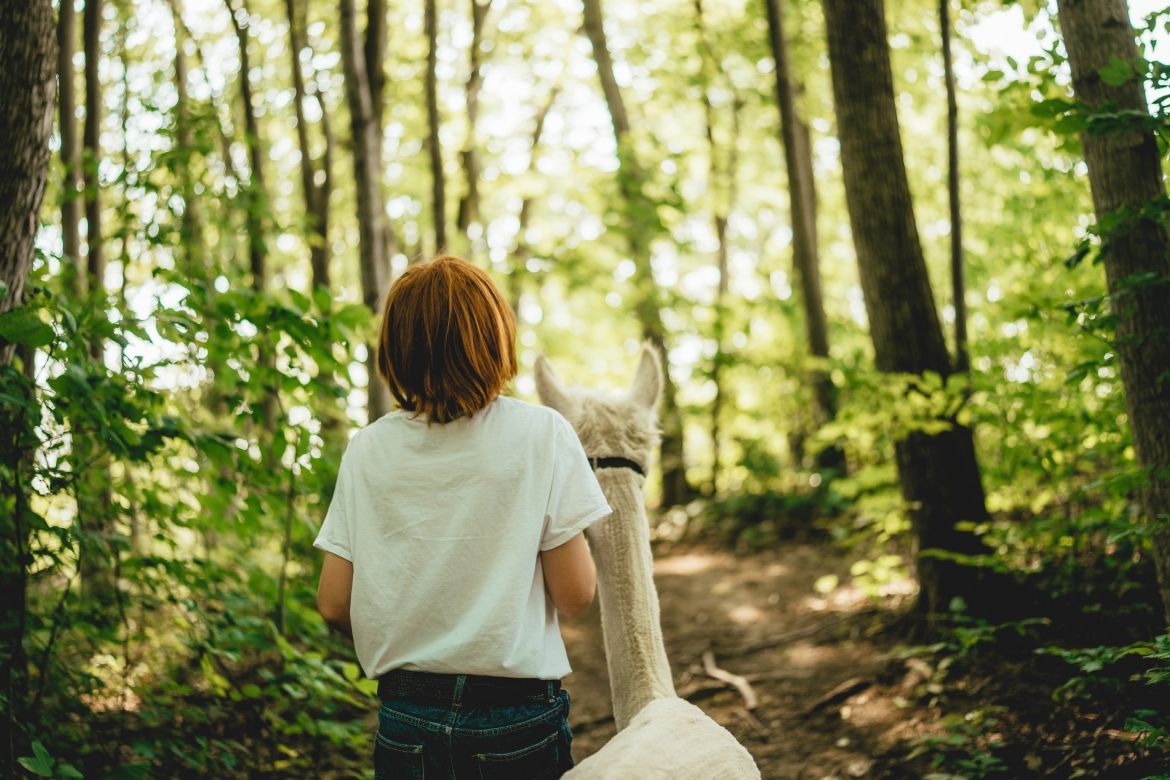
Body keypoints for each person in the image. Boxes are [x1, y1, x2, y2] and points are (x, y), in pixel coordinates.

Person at [313, 255, 611, 779]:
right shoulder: (542, 434)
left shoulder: (369, 448)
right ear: (493, 338)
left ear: (398, 349)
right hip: (516, 717)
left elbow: (334, 602)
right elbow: (575, 594)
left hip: (405, 716)